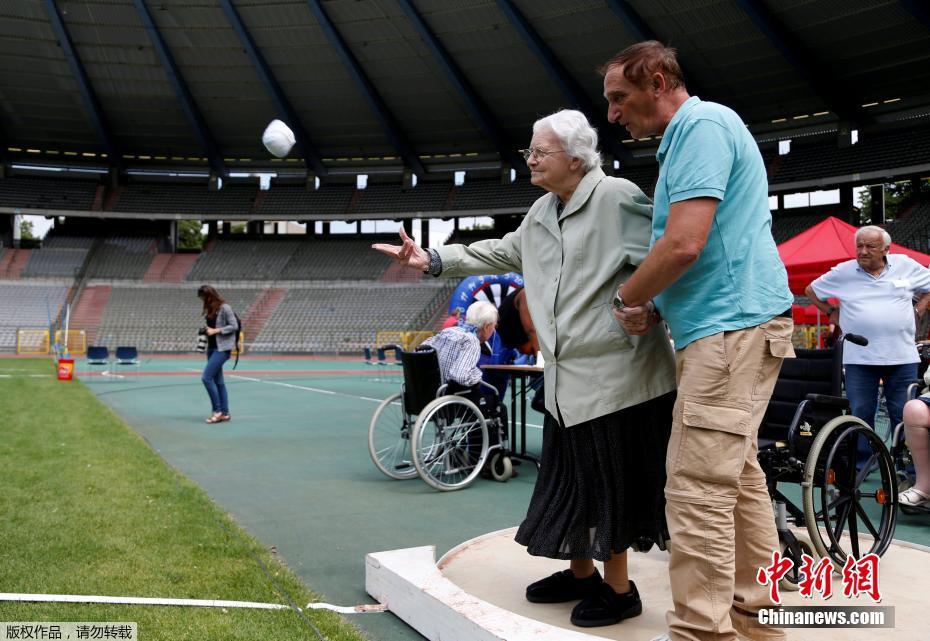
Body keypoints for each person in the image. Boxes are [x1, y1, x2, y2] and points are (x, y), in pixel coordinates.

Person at [374, 108, 676, 629]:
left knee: (609, 485)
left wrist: (654, 309)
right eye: (530, 151)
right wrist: (432, 259)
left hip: (618, 381)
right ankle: (582, 575)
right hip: (566, 382)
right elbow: (499, 251)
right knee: (570, 481)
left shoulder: (618, 198)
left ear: (576, 159)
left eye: (540, 151)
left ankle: (620, 590)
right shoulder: (541, 212)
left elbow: (670, 258)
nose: (531, 159)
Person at [603, 42, 795, 641]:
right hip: (730, 325)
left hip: (730, 331)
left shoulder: (701, 125)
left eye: (619, 97)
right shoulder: (696, 132)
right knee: (735, 479)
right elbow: (701, 248)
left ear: (659, 82)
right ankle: (756, 621)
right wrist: (657, 303)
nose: (612, 114)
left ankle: (702, 633)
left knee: (696, 487)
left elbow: (684, 243)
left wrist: (629, 297)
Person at [805, 226, 930, 446]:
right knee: (860, 414)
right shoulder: (844, 271)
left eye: (870, 246)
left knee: (903, 414)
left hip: (902, 356)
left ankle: (902, 464)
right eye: (859, 246)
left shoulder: (905, 265)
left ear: (885, 249)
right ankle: (861, 464)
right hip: (859, 359)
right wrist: (831, 313)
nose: (863, 251)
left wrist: (919, 308)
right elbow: (811, 290)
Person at [420, 300, 499, 401]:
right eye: (494, 326)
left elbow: (419, 351)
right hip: (448, 399)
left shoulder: (448, 331)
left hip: (426, 394)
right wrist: (478, 376)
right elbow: (460, 377)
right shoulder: (472, 341)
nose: (494, 330)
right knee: (499, 406)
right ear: (486, 326)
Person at [197, 285, 239, 424]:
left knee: (206, 378)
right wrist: (207, 330)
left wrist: (216, 331)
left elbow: (234, 326)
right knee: (219, 382)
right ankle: (225, 413)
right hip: (212, 347)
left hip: (223, 349)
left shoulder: (224, 307)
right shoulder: (210, 309)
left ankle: (218, 411)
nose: (203, 300)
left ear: (210, 295)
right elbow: (212, 327)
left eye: (204, 297)